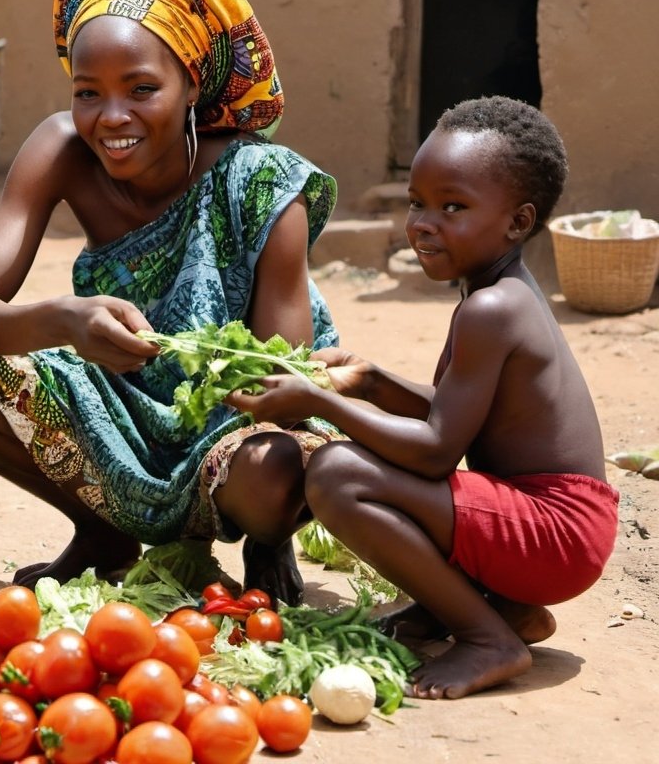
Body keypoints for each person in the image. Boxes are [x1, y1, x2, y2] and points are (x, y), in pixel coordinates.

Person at [0, 0, 340, 603]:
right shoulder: (59, 151)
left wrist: (269, 532)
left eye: (141, 89)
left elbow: (282, 379)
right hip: (118, 401)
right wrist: (67, 320)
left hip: (239, 421)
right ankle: (101, 533)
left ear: (192, 86)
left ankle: (264, 543)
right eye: (88, 92)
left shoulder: (264, 184)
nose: (111, 116)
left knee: (276, 467)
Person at [227, 95, 619, 698]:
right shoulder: (497, 291)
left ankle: (487, 638)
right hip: (553, 523)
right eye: (418, 202)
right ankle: (508, 612)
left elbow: (437, 451)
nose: (422, 223)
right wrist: (372, 381)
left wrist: (321, 401)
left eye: (453, 207)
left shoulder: (490, 308)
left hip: (556, 533)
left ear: (517, 222)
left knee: (337, 475)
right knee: (368, 466)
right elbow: (453, 414)